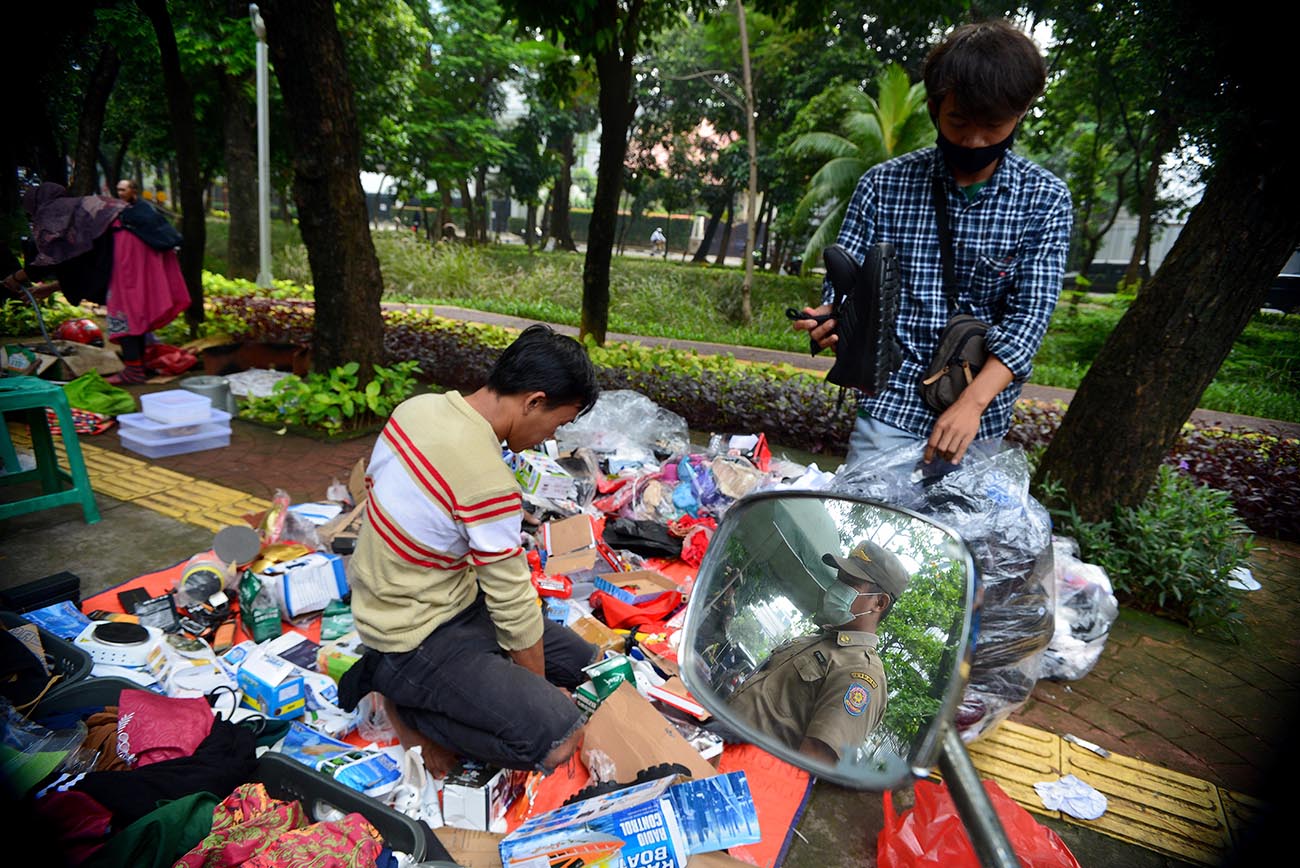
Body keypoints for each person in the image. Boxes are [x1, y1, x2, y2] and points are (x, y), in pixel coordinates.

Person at [792, 19, 1072, 469]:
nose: (974, 140)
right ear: (935, 110)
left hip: (976, 417)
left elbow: (1028, 320)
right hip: (888, 407)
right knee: (867, 536)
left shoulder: (1045, 199)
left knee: (953, 537)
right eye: (959, 122)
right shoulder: (883, 185)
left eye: (994, 125)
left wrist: (973, 405)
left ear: (1019, 115)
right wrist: (835, 318)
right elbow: (847, 285)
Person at [338, 324, 601, 776]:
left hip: (445, 598)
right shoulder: (487, 479)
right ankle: (401, 701)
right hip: (410, 634)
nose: (546, 438)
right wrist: (531, 696)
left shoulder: (420, 407)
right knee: (557, 737)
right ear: (534, 401)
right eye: (555, 424)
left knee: (591, 668)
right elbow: (514, 607)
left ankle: (429, 686)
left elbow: (372, 489)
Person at [725, 539, 911, 765]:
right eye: (839, 578)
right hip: (721, 745)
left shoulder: (861, 675)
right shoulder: (818, 640)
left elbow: (812, 764)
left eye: (850, 582)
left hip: (742, 773)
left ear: (879, 603)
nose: (836, 587)